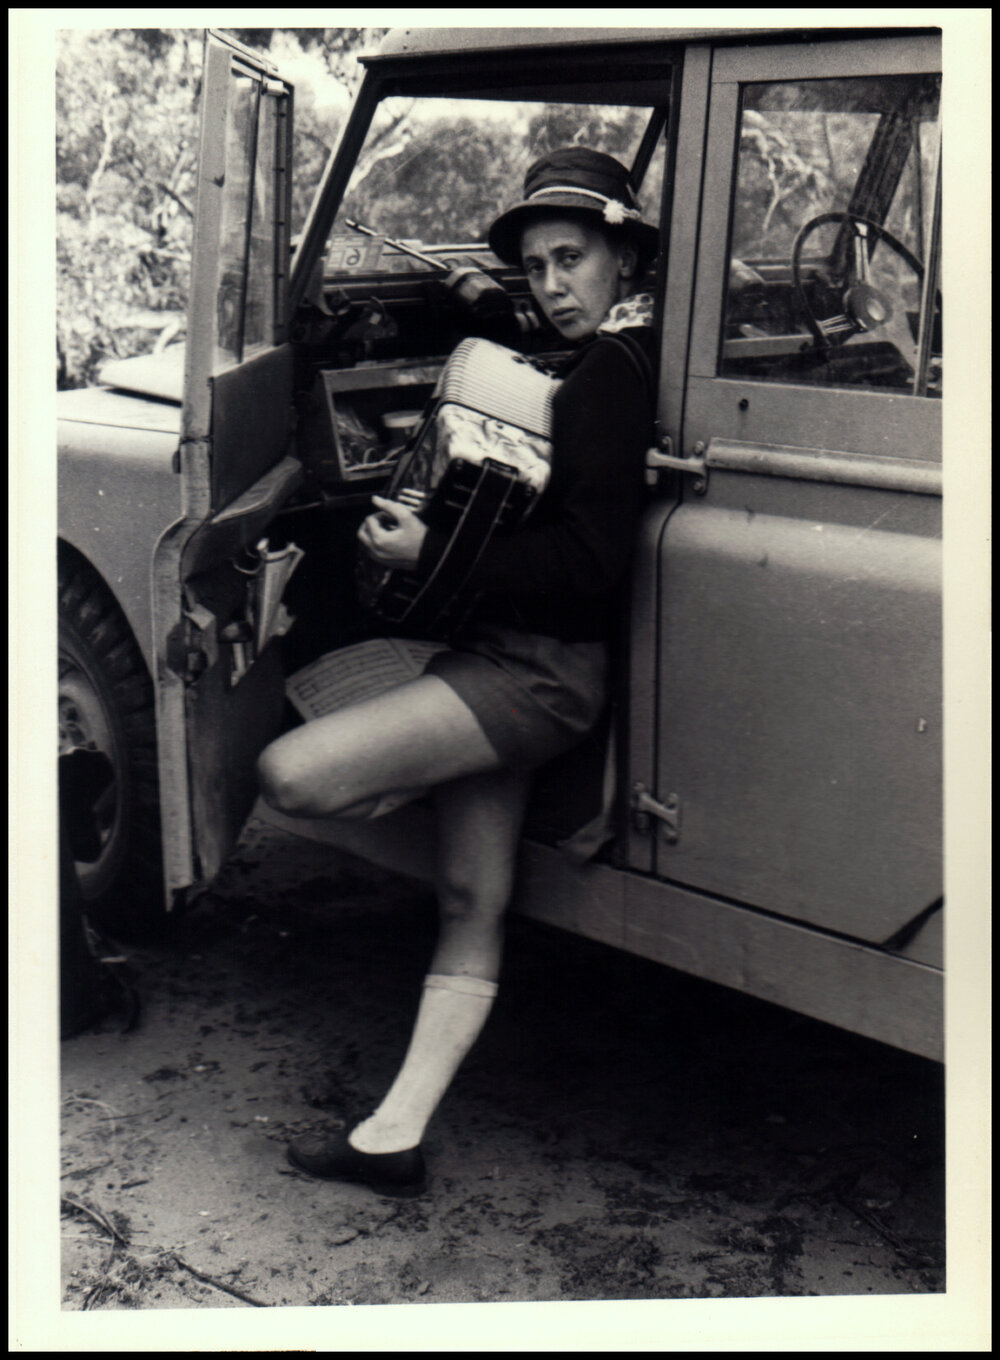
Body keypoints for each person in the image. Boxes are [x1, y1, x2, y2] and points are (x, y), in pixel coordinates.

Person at [257, 147, 659, 1196]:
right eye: (536, 267)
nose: (554, 285)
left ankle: (413, 762)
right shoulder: (611, 349)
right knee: (471, 895)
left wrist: (424, 554)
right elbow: (535, 346)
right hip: (522, 664)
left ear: (624, 253)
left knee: (291, 776)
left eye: (572, 258)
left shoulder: (612, 378)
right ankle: (393, 1136)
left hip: (535, 677)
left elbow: (590, 563)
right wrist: (475, 293)